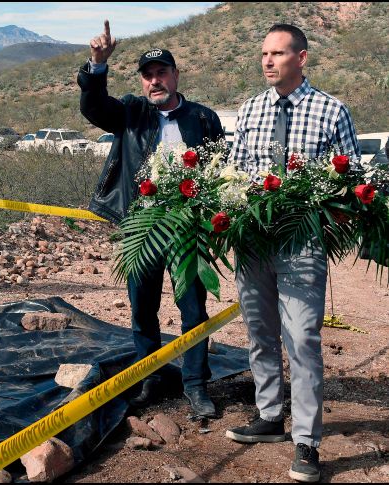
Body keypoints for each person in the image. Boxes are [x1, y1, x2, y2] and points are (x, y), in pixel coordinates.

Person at [224, 24, 360, 483]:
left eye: (277, 53)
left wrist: (325, 217)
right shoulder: (250, 110)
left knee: (302, 338)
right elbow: (234, 172)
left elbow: (351, 181)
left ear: (301, 58)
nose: (267, 61)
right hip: (253, 240)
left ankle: (307, 440)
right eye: (264, 53)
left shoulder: (331, 111)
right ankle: (268, 416)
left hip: (302, 242)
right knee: (260, 331)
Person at [77, 21, 225, 419]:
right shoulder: (130, 112)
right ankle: (151, 378)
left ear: (176, 76)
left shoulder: (204, 119)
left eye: (162, 73)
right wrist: (97, 64)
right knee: (142, 307)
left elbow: (218, 170)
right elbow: (93, 107)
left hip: (187, 228)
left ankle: (196, 385)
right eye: (148, 75)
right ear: (142, 82)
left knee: (192, 307)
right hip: (140, 227)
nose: (155, 80)